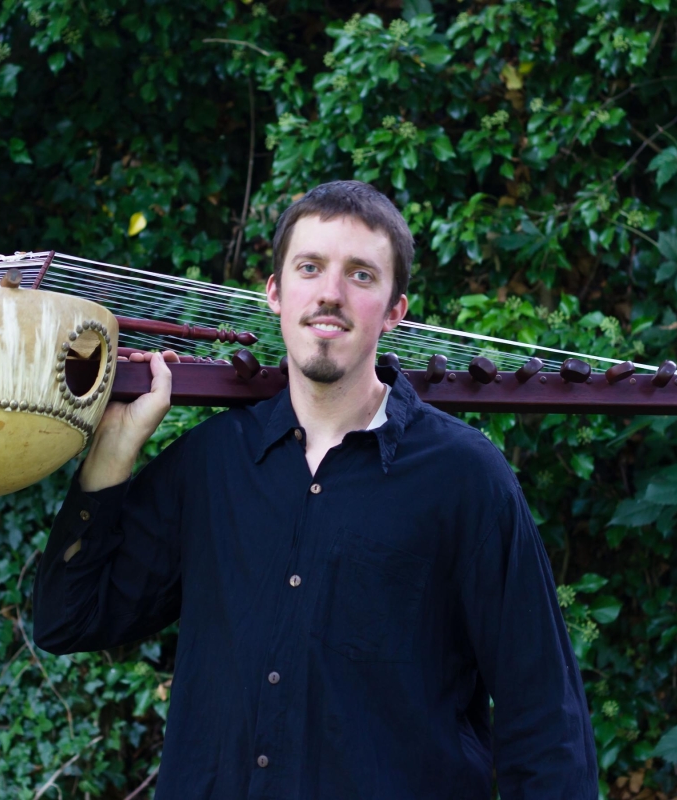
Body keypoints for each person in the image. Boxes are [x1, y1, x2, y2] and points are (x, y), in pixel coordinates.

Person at [33, 180, 598, 798]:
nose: (330, 294)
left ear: (394, 310)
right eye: (310, 268)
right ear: (275, 293)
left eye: (360, 275)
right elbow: (68, 620)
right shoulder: (212, 465)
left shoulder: (466, 478)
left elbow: (544, 717)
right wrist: (111, 457)